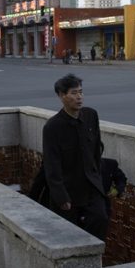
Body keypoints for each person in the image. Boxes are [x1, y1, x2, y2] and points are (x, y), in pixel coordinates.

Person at [43, 73, 108, 240]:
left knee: (100, 220)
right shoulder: (53, 127)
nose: (79, 97)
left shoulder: (91, 116)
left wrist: (98, 178)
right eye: (74, 93)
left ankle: (94, 259)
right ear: (61, 96)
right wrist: (61, 196)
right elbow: (52, 164)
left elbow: (97, 149)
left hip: (92, 186)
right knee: (69, 235)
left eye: (81, 92)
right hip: (69, 189)